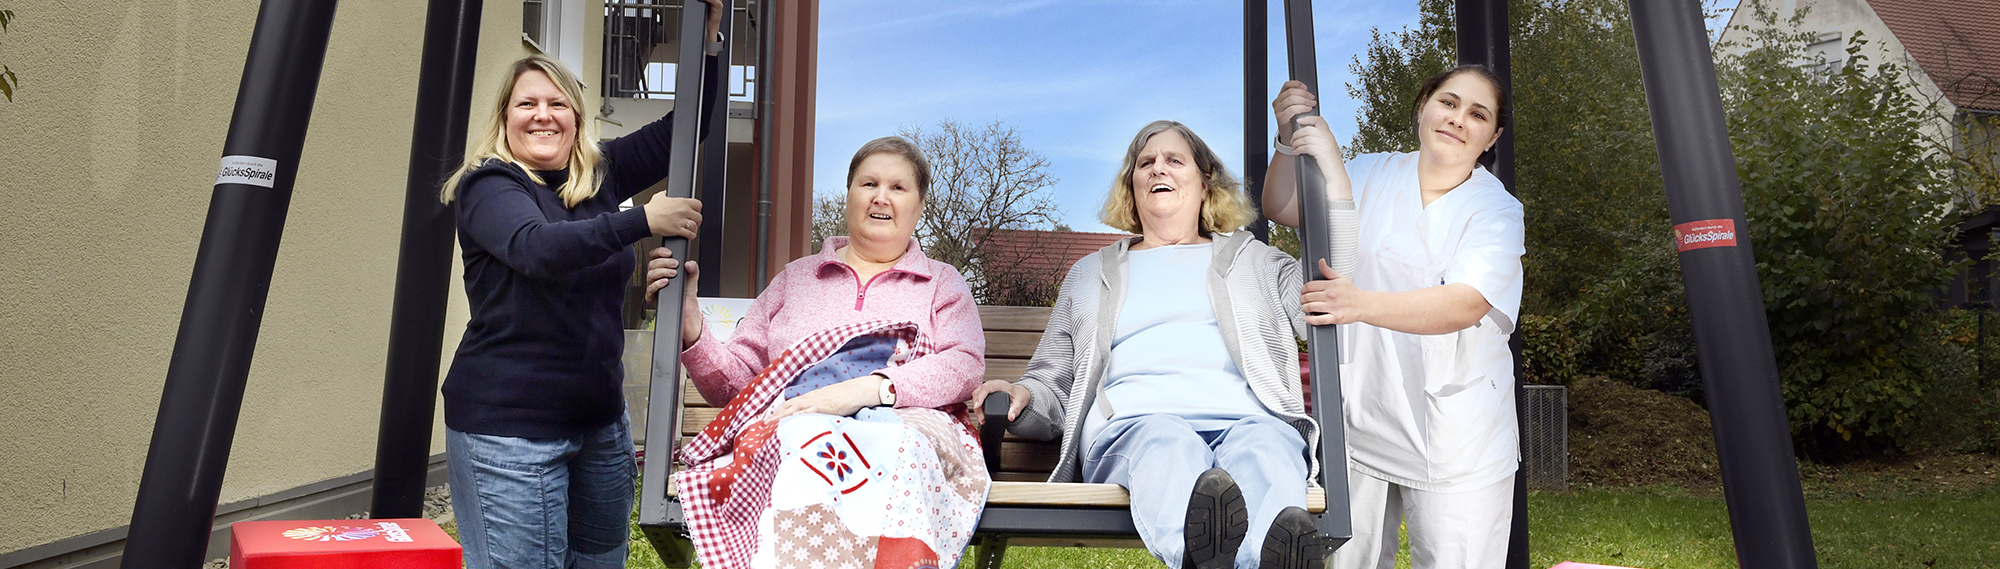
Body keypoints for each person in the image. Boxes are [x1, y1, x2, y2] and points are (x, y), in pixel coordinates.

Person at [434, 3, 722, 567]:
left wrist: (707, 41)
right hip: (510, 430)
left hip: (599, 422)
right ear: (505, 117)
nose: (543, 115)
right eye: (527, 104)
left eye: (557, 103)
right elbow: (538, 249)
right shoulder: (489, 185)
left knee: (601, 560)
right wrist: (643, 219)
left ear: (576, 116)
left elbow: (686, 130)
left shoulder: (598, 174)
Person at [971, 120, 1327, 569]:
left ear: (1205, 182)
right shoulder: (1090, 274)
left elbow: (1330, 282)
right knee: (1167, 439)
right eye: (1146, 163)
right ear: (1132, 185)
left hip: (1248, 420)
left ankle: (1232, 562)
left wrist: (1315, 160)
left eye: (1174, 160)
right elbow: (1054, 382)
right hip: (1135, 426)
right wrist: (1023, 394)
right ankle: (1200, 557)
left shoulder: (1254, 260)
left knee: (1268, 445)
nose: (1159, 168)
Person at [645, 136, 989, 569]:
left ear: (919, 207)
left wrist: (865, 390)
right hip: (797, 433)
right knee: (801, 436)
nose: (881, 197)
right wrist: (692, 327)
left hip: (902, 429)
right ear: (849, 195)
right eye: (869, 184)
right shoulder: (797, 279)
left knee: (888, 441)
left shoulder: (941, 282)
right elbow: (738, 388)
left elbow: (963, 365)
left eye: (898, 187)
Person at [1262, 66, 1526, 569]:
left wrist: (1358, 304)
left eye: (1478, 114)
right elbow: (1284, 205)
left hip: (1457, 440)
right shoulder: (1369, 172)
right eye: (1448, 102)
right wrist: (1287, 139)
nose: (1458, 119)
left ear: (1492, 137)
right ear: (1424, 106)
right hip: (1362, 421)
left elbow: (1465, 303)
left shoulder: (1497, 211)